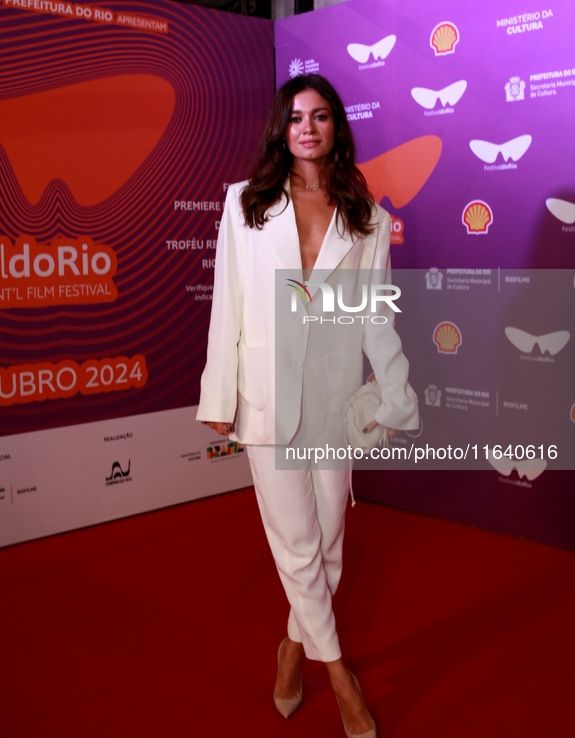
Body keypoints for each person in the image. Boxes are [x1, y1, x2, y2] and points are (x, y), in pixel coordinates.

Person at [197, 74, 418, 738]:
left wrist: (396, 393)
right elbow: (226, 305)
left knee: (328, 543)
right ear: (279, 128)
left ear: (335, 128)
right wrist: (218, 391)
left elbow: (376, 317)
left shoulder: (367, 216)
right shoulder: (245, 205)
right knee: (297, 544)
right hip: (265, 396)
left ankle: (292, 647)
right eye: (295, 117)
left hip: (334, 398)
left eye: (320, 117)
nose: (308, 127)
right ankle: (340, 673)